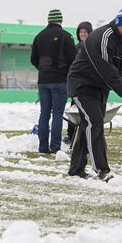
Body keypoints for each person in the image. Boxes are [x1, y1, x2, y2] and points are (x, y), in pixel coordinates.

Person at [66, 7, 122, 181]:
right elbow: (106, 69)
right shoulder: (103, 37)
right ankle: (102, 170)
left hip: (100, 87)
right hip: (82, 84)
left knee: (88, 126)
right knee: (94, 122)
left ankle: (76, 169)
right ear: (119, 25)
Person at [30, 9, 77, 153]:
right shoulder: (66, 36)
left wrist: (44, 70)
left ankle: (42, 147)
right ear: (60, 20)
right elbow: (73, 59)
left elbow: (33, 59)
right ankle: (55, 146)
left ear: (48, 20)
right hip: (60, 80)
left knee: (44, 113)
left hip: (43, 81)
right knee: (57, 113)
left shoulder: (39, 37)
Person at [64, 21, 93, 145]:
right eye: (81, 32)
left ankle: (87, 136)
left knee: (89, 113)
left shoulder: (93, 48)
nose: (83, 34)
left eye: (85, 32)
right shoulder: (75, 48)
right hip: (76, 85)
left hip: (89, 85)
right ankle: (70, 135)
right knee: (74, 111)